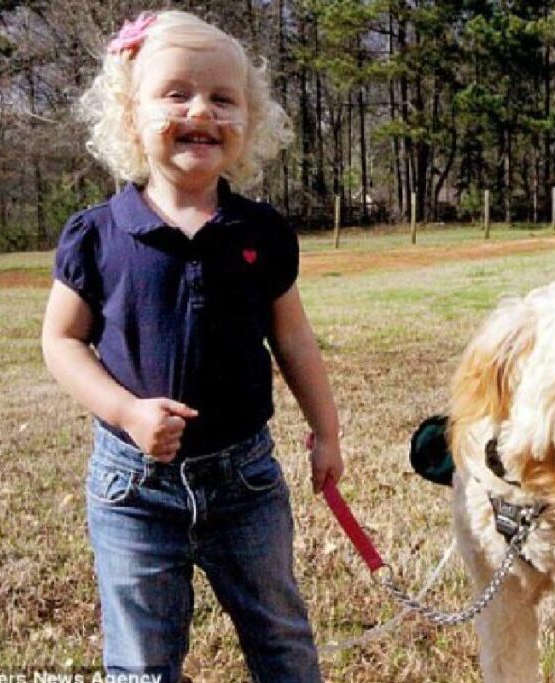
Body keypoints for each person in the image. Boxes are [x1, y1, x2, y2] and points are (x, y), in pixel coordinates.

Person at [40, 10, 342, 682]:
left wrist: (326, 429)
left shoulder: (259, 229)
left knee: (283, 642)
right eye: (175, 92)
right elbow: (61, 342)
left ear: (248, 121)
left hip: (247, 481)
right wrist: (125, 412)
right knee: (143, 660)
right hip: (134, 490)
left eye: (222, 97)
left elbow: (291, 336)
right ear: (128, 114)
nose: (200, 109)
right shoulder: (96, 235)